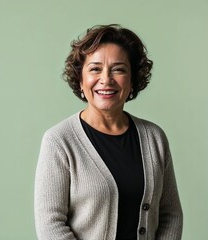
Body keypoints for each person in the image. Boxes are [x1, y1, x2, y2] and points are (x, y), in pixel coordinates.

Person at [34, 24, 183, 240]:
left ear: (132, 80)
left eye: (118, 69)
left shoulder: (154, 138)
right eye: (95, 69)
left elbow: (171, 214)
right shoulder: (59, 141)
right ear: (80, 79)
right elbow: (50, 224)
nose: (106, 79)